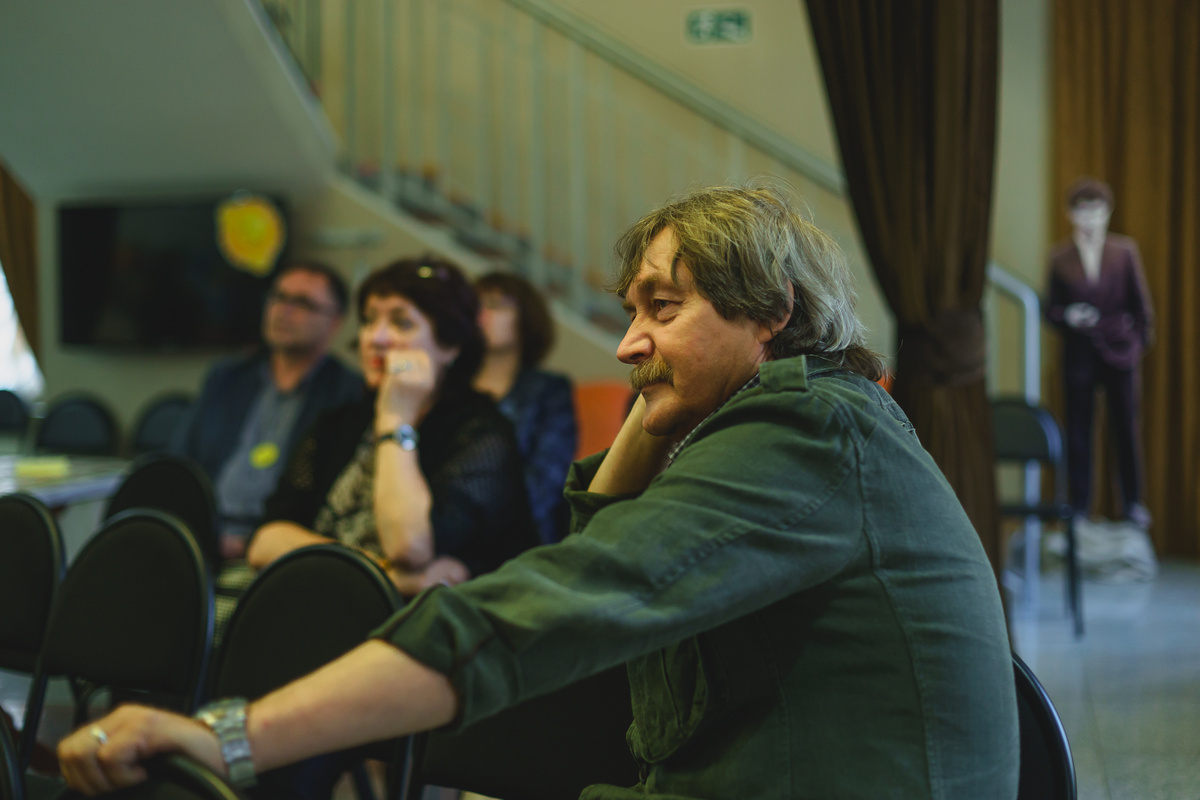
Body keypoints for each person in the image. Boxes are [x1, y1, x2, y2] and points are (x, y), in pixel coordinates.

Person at [60, 186, 1018, 800]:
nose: (627, 342)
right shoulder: (796, 417)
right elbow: (600, 546)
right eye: (632, 312)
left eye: (662, 307)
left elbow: (567, 595)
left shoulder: (806, 431)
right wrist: (659, 395)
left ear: (772, 313)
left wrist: (231, 737)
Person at [246, 257, 537, 596]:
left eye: (401, 323)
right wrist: (380, 572)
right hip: (316, 595)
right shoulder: (338, 421)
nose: (377, 338)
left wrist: (396, 417)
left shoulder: (481, 433)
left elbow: (409, 548)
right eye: (370, 320)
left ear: (450, 347)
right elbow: (266, 541)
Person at [172, 261, 362, 558]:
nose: (284, 311)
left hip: (282, 549)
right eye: (278, 297)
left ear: (335, 321)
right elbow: (181, 462)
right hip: (205, 536)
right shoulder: (227, 378)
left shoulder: (348, 393)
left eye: (303, 303)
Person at [1045, 177, 1155, 527]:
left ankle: (1133, 503)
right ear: (1070, 214)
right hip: (1079, 357)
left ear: (1108, 213)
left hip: (1121, 355)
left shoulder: (1125, 252)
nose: (1090, 219)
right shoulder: (1059, 257)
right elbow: (1049, 310)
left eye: (1097, 212)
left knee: (1126, 430)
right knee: (1078, 433)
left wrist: (1135, 345)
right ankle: (1079, 507)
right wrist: (1069, 316)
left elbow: (1142, 308)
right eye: (1083, 212)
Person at [473, 271, 577, 544]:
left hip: (521, 536)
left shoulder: (549, 391)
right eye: (476, 304)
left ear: (525, 319)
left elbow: (546, 482)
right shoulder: (451, 383)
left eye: (495, 305)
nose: (481, 313)